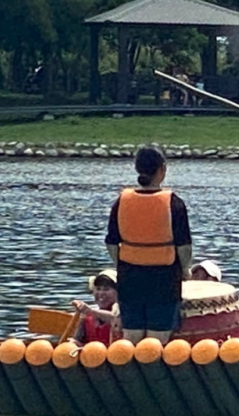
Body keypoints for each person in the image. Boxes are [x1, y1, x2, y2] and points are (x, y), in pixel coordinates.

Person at [105, 146, 192, 345]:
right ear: (162, 170)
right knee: (157, 340)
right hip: (164, 277)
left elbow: (111, 242)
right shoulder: (174, 203)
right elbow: (184, 246)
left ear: (137, 169)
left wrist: (121, 264)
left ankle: (131, 374)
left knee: (131, 337)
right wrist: (185, 269)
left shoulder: (121, 201)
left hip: (130, 277)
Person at [71, 269, 120, 345]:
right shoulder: (86, 317)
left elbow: (114, 318)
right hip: (93, 354)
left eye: (106, 289)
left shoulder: (122, 311)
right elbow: (77, 340)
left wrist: (90, 311)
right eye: (98, 289)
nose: (101, 293)